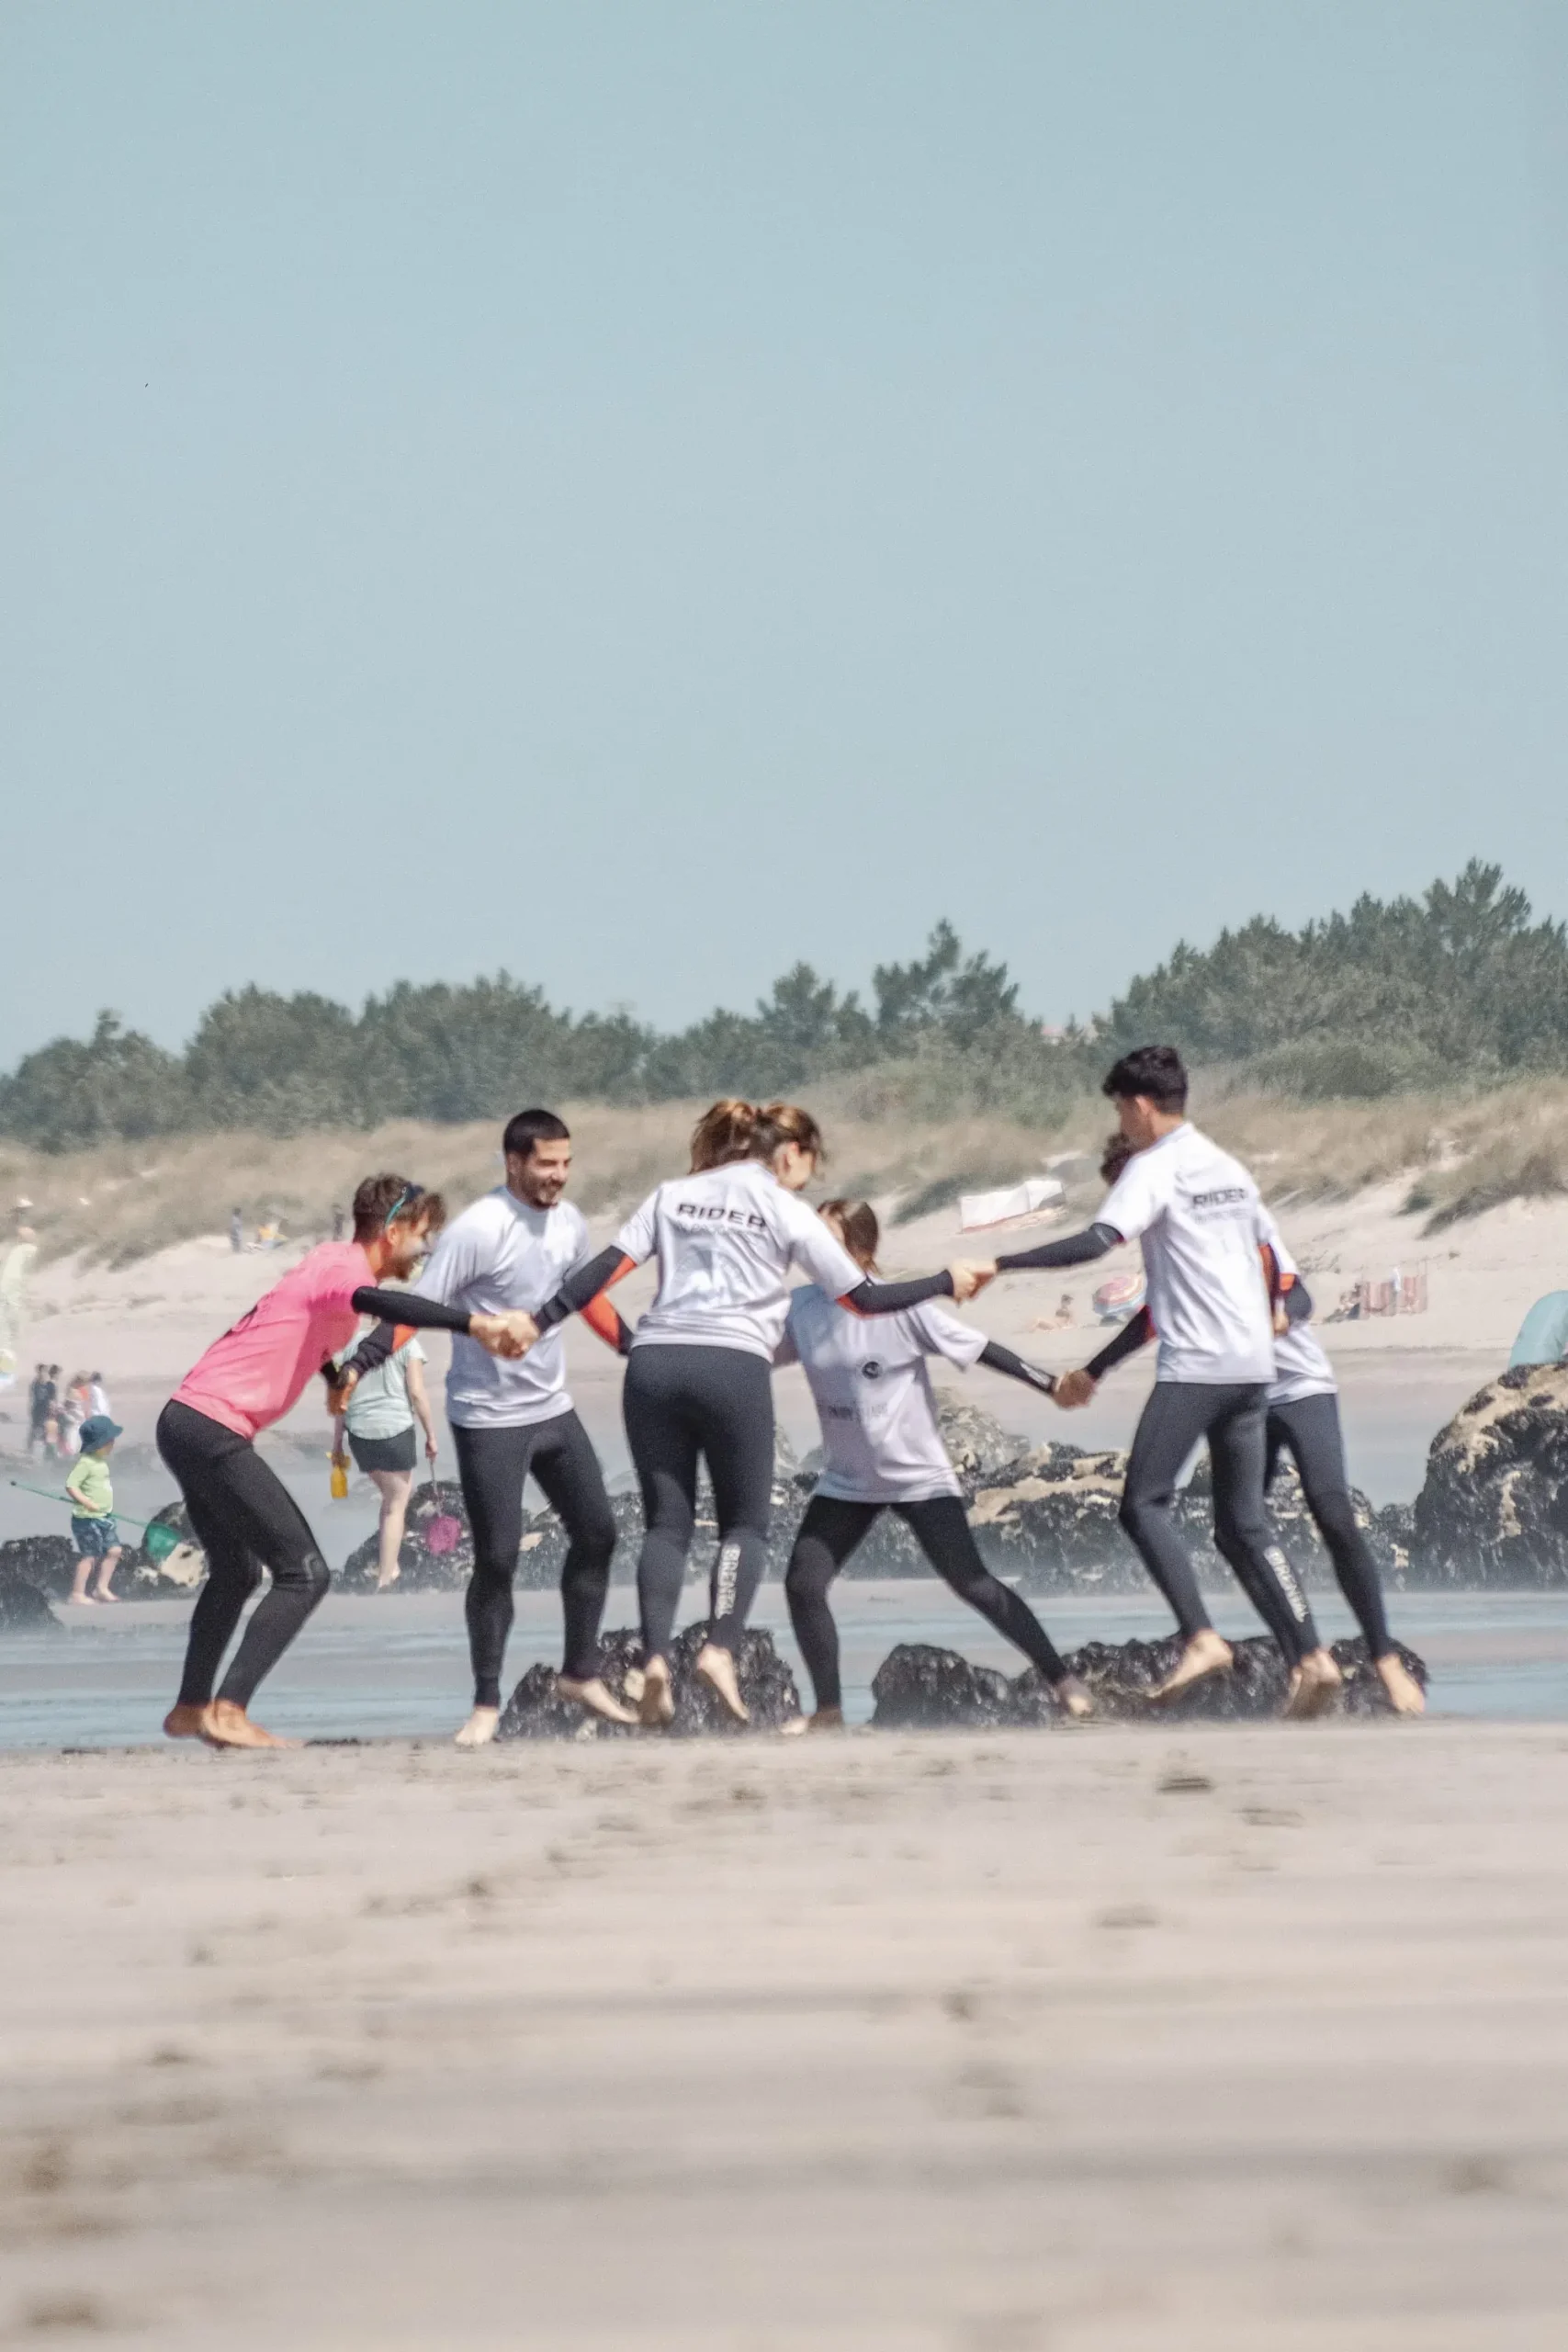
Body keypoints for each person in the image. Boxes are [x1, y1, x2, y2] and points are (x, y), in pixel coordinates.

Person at [515, 1099, 993, 1729]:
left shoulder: (672, 1195)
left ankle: (656, 1660)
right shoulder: (782, 1207)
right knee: (744, 1525)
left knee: (666, 1526)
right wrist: (942, 1280)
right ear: (783, 1153)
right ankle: (719, 1649)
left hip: (654, 1361)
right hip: (732, 1364)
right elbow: (864, 1298)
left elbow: (600, 1273)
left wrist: (535, 1321)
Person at [982, 1046, 1344, 1716]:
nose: (1121, 1125)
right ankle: (1312, 1656)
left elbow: (1095, 1243)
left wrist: (999, 1262)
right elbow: (1259, 1269)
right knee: (1246, 1523)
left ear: (1139, 1105)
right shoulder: (1228, 1167)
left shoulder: (1154, 1166)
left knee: (1142, 1504)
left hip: (1199, 1366)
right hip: (1253, 1369)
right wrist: (1096, 1366)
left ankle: (1201, 1637)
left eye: (1120, 1111)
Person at [156, 1174, 535, 1750]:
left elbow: (302, 1328)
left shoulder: (326, 1261)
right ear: (392, 1230)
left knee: (237, 1572)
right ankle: (228, 1711)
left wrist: (337, 1378)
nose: (425, 1248)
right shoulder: (348, 1274)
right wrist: (472, 1323)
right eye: (422, 1235)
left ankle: (190, 1707)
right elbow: (380, 1305)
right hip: (211, 1427)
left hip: (186, 1421)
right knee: (303, 1573)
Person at [338, 1110, 637, 1742]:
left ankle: (580, 1671)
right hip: (487, 1419)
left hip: (552, 1409)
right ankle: (484, 1704)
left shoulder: (571, 1222)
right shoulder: (479, 1228)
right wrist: (364, 1362)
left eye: (565, 1163)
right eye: (545, 1164)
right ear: (513, 1162)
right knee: (498, 1560)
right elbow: (418, 1307)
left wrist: (632, 1346)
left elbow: (584, 1294)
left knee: (599, 1534)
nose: (558, 1176)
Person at [1069, 1194, 1425, 1717]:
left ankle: (1386, 1661)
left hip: (1300, 1388)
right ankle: (1304, 1662)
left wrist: (1279, 1320)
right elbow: (1152, 1319)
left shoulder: (1238, 1230)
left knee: (1332, 1513)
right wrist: (1094, 1370)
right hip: (1236, 1394)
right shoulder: (1173, 1254)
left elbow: (1299, 1295)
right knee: (1235, 1532)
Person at [778, 1198, 1091, 1730]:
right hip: (849, 1481)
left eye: (827, 1242)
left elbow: (980, 1347)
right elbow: (746, 1352)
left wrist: (1051, 1384)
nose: (814, 1253)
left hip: (916, 1477)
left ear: (862, 1250)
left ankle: (1065, 1682)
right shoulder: (802, 1308)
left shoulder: (901, 1308)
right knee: (803, 1585)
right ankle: (829, 1710)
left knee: (973, 1583)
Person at [332, 1327, 438, 1590]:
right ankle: (386, 1576)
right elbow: (416, 1392)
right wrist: (431, 1434)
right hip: (395, 1431)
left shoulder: (351, 1345)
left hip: (359, 1434)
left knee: (390, 1499)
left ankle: (390, 1563)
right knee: (397, 1503)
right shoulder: (407, 1343)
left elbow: (341, 1397)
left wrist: (337, 1443)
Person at [66, 1413, 123, 1604]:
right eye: (109, 1441)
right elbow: (71, 1485)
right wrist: (86, 1502)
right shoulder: (86, 1463)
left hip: (104, 1517)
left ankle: (101, 1588)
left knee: (114, 1551)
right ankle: (77, 1594)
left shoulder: (101, 1462)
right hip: (86, 1519)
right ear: (99, 1443)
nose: (112, 1444)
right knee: (90, 1556)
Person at [28, 1364, 52, 1455]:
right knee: (36, 1429)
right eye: (43, 1371)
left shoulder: (43, 1383)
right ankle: (30, 1448)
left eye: (45, 1371)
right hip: (38, 1410)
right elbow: (36, 1397)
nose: (44, 1373)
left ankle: (47, 1450)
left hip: (43, 1409)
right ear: (39, 1371)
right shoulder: (37, 1383)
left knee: (44, 1429)